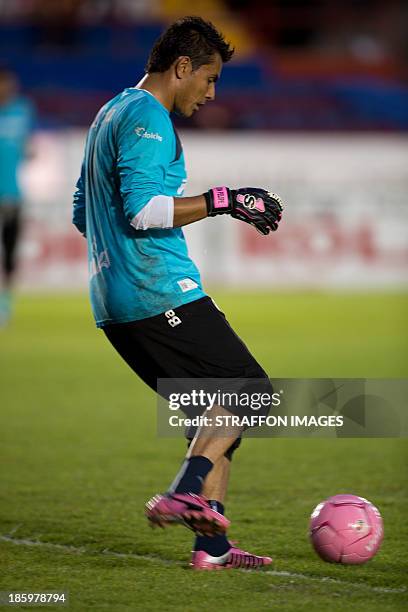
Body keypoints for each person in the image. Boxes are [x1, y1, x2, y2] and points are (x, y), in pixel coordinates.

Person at [73, 16, 283, 570]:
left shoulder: (109, 113)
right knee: (251, 391)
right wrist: (223, 200)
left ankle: (210, 548)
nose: (211, 93)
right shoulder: (148, 117)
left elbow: (82, 212)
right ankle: (187, 489)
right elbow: (143, 212)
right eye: (209, 79)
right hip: (158, 291)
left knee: (209, 419)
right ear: (182, 67)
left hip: (114, 303)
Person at [0, 67, 35, 325]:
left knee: (10, 253)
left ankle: (6, 304)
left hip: (13, 195)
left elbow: (25, 147)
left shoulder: (23, 110)